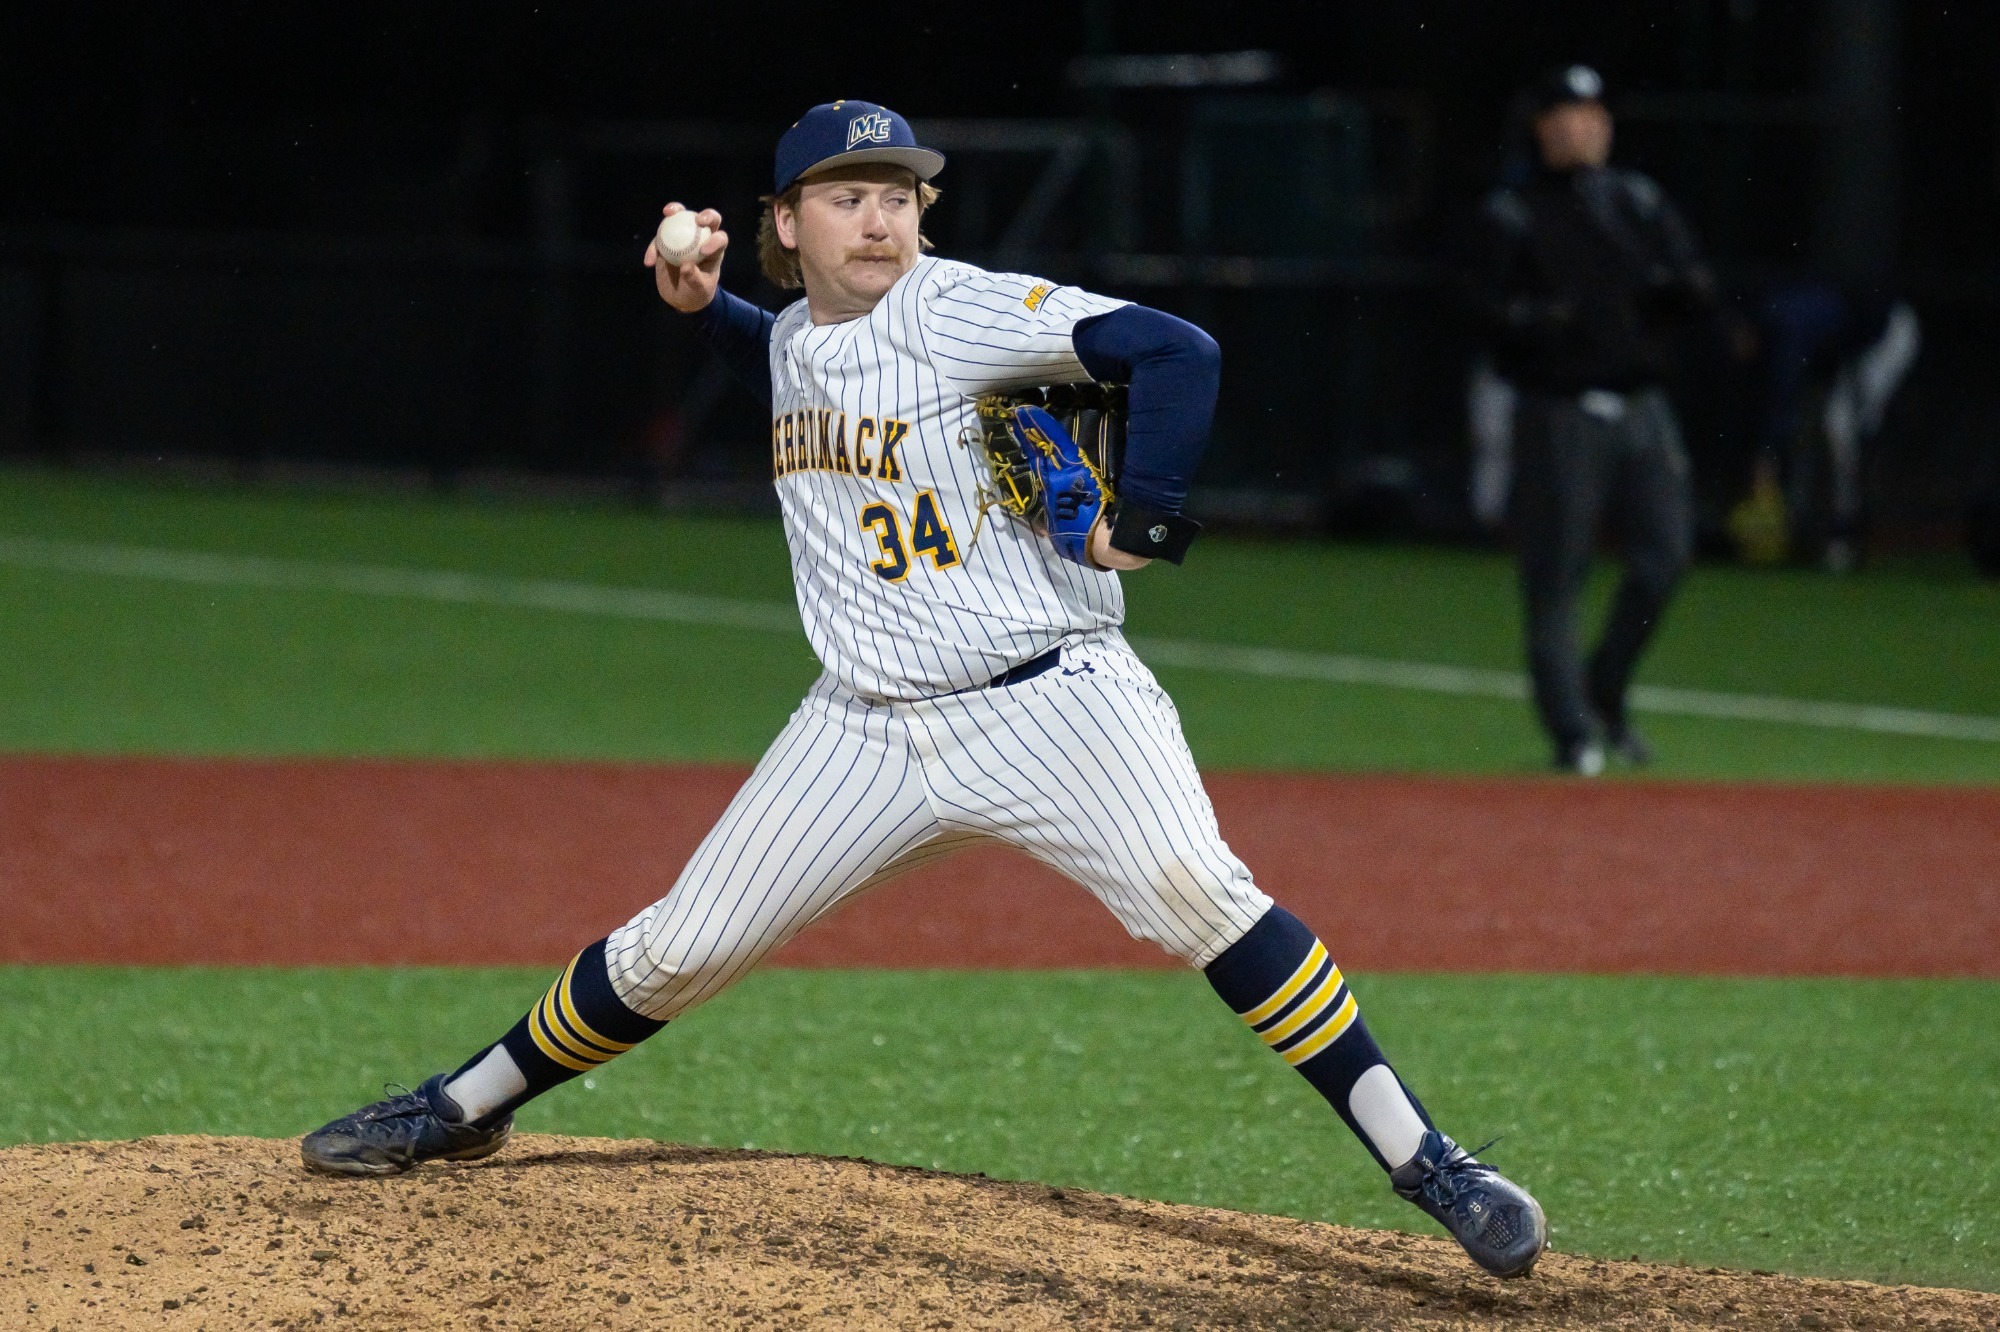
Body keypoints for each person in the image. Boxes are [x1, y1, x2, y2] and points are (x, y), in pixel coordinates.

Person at [300, 99, 1546, 1279]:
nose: (880, 217)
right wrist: (700, 306)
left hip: (1052, 701)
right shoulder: (796, 332)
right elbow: (791, 365)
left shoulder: (960, 311)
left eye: (897, 193)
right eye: (845, 196)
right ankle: (461, 1109)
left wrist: (1146, 523)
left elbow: (1177, 350)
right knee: (678, 947)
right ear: (786, 223)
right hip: (860, 728)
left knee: (1201, 897)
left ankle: (1429, 1163)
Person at [1468, 65, 1715, 774]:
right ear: (1541, 127)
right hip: (1558, 409)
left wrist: (1681, 292)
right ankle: (1572, 733)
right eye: (1569, 112)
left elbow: (1694, 283)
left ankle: (1604, 690)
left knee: (1666, 556)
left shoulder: (1637, 201)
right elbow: (1472, 311)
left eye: (1594, 112)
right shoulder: (1511, 213)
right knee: (1556, 577)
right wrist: (1538, 323)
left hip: (1642, 407)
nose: (1586, 125)